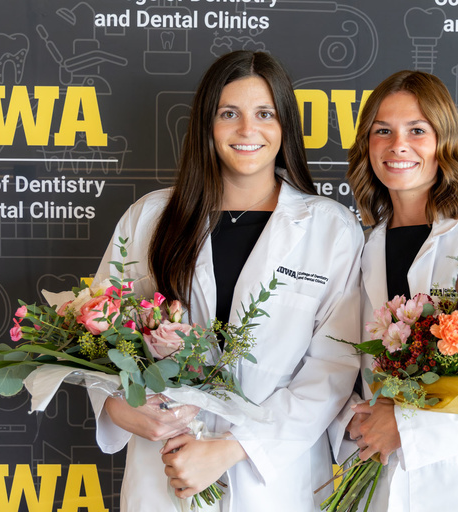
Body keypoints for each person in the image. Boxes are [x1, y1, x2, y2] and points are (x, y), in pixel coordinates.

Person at [89, 50, 363, 512]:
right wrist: (118, 408)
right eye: (228, 114)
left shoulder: (329, 228)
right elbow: (98, 333)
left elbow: (332, 372)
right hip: (165, 470)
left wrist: (233, 448)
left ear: (284, 127)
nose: (247, 130)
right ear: (206, 125)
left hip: (274, 483)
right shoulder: (150, 218)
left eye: (264, 114)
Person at [329, 70, 458, 511]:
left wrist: (408, 428)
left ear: (443, 141)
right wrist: (361, 424)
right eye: (382, 131)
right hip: (376, 472)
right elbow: (341, 363)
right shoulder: (360, 247)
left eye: (417, 130)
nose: (397, 145)